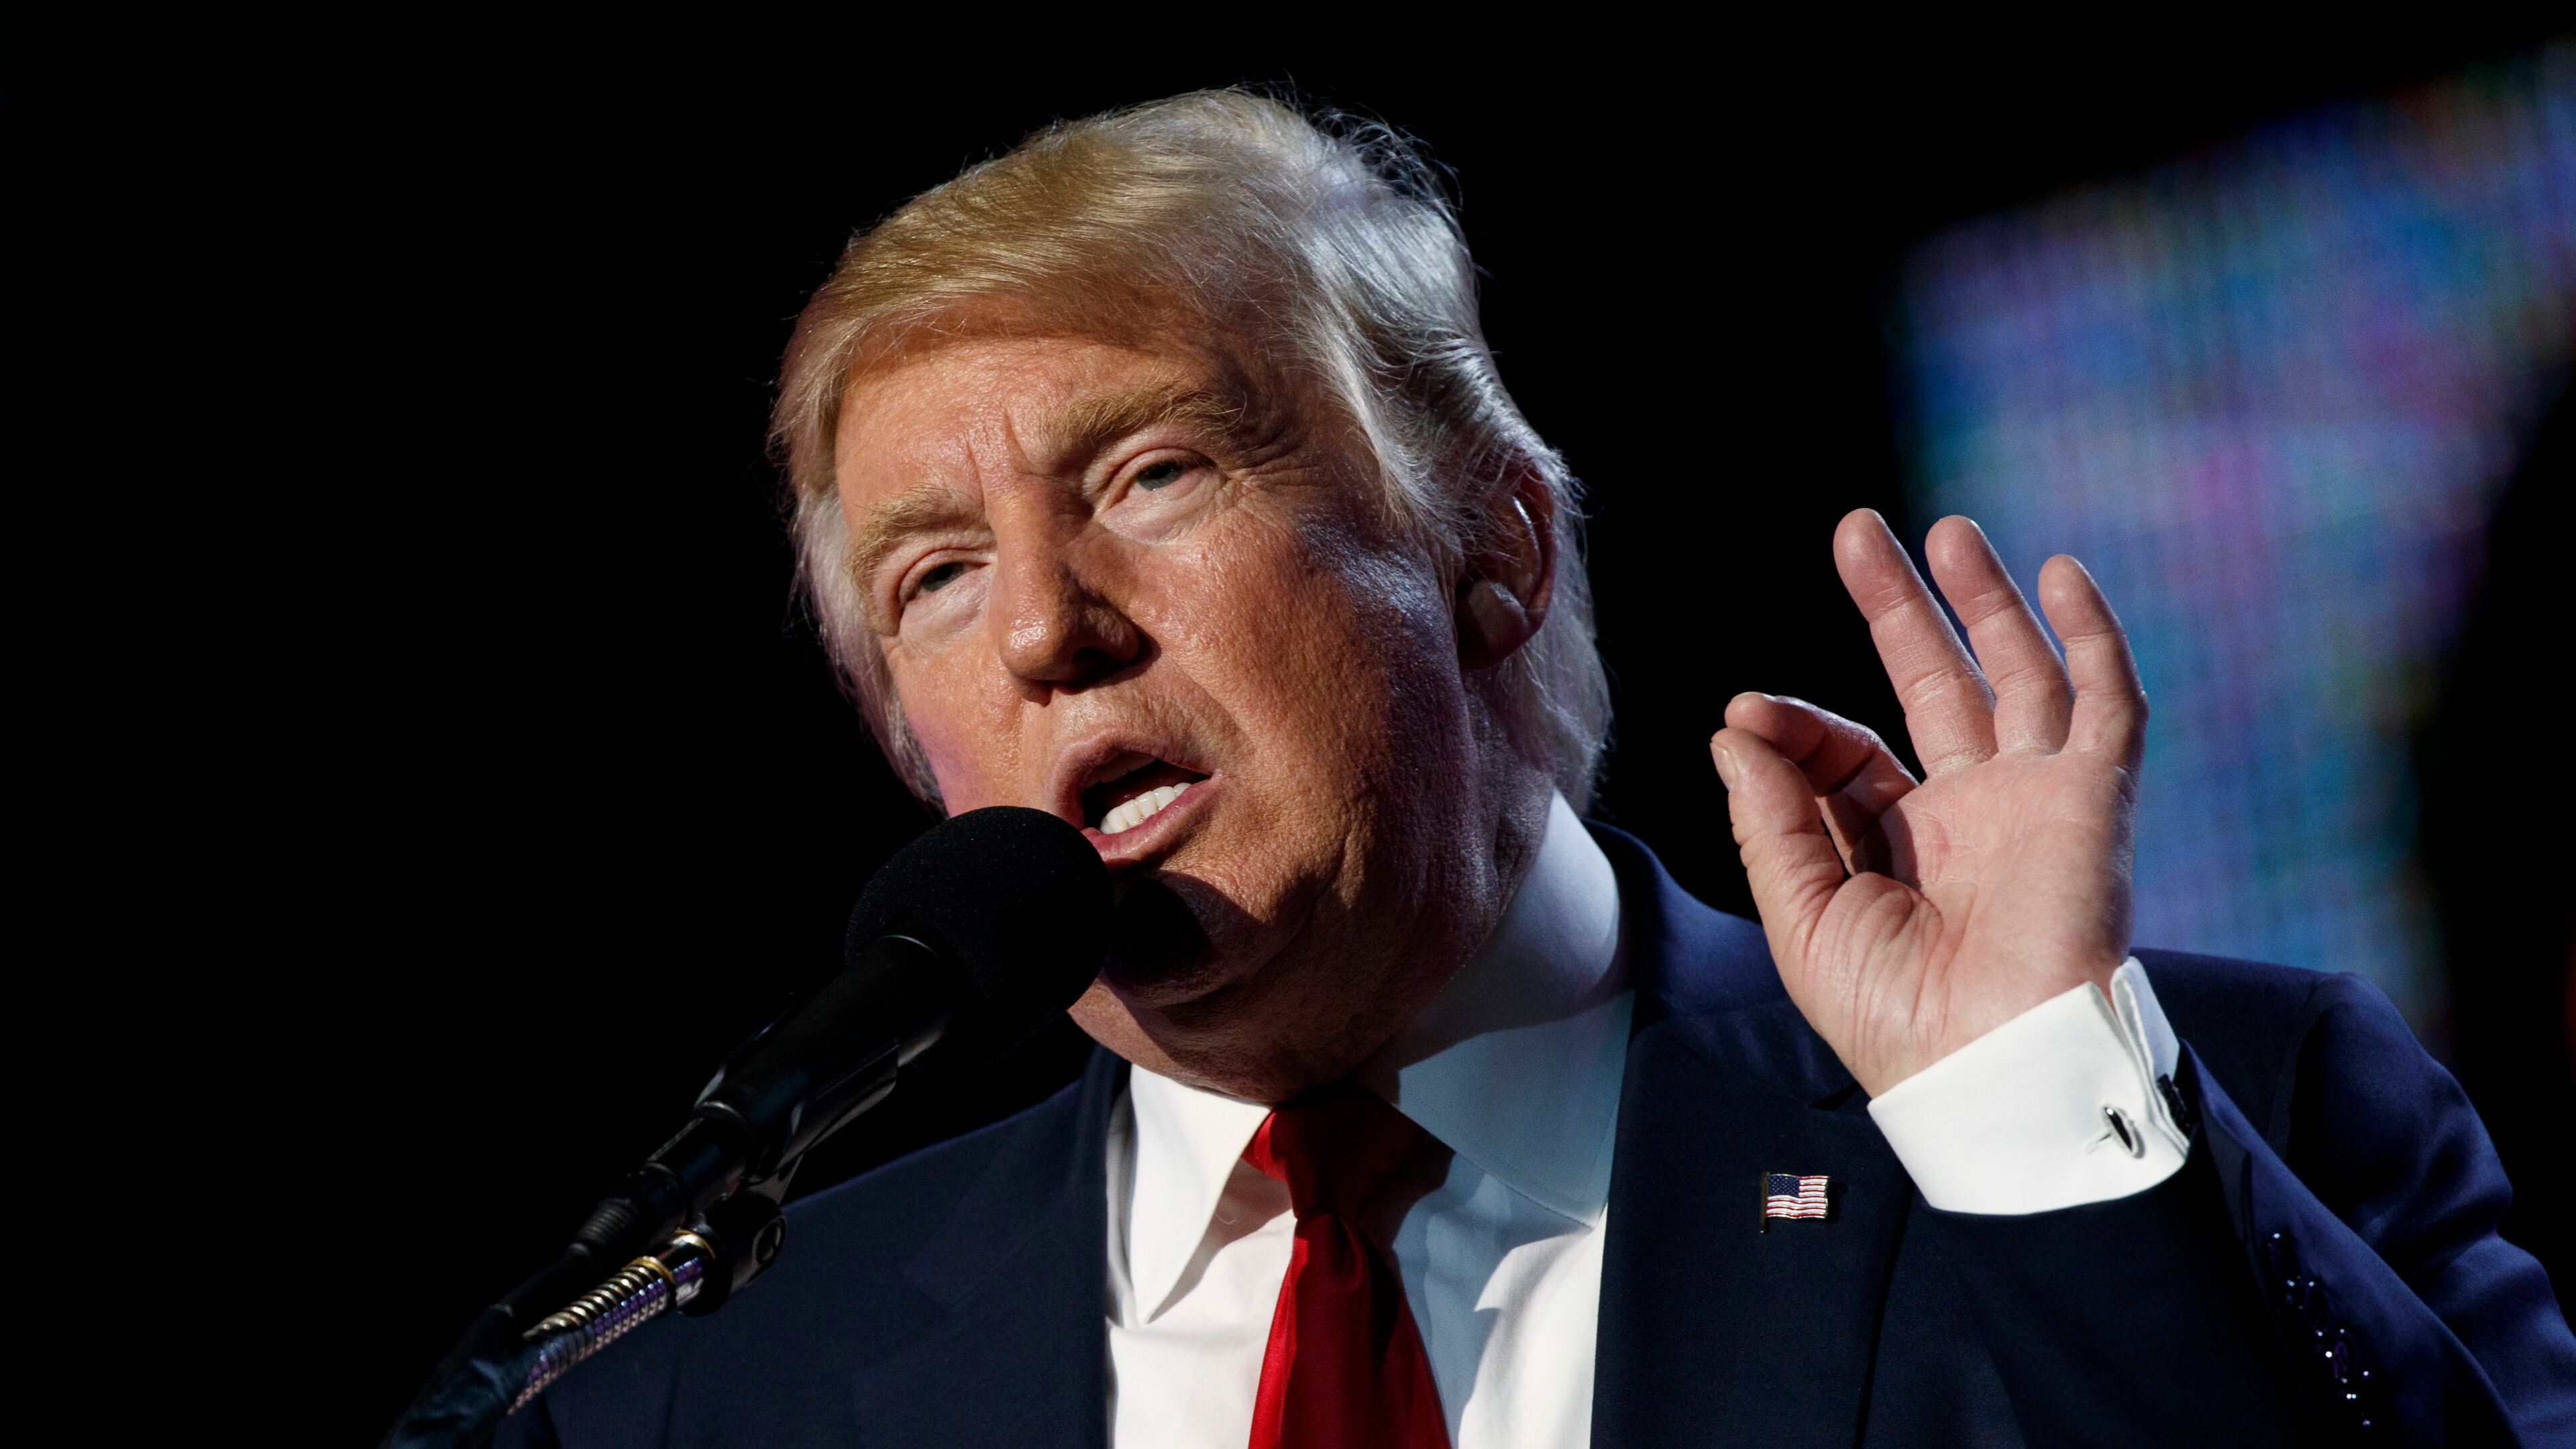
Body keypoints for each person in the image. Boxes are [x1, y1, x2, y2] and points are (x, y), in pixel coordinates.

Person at [498, 92, 2575, 1447]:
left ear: (1491, 550)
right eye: (936, 578)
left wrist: (2031, 1114)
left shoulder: (2212, 1125)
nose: (1048, 626)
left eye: (1150, 470)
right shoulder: (704, 1389)